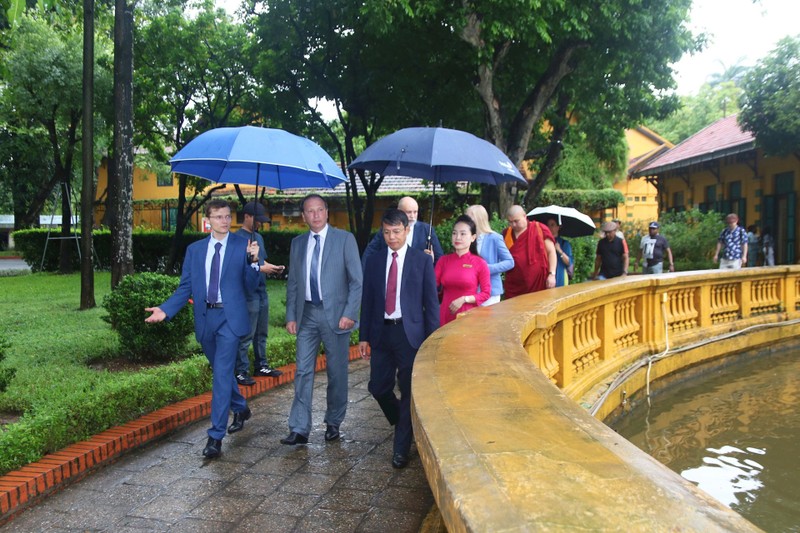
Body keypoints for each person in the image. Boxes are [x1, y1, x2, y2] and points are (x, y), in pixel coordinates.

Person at [144, 199, 261, 459]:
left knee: (220, 375)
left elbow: (251, 285)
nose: (224, 221)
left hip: (230, 319)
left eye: (228, 216)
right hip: (206, 318)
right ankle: (240, 406)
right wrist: (165, 309)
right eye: (218, 217)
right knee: (222, 371)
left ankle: (215, 436)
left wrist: (253, 261)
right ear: (208, 220)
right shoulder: (195, 250)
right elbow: (186, 286)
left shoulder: (244, 245)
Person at [359, 209, 439, 469]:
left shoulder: (422, 261)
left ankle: (401, 448)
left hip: (410, 334)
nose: (391, 237)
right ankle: (404, 422)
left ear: (406, 231)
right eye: (386, 232)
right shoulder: (374, 261)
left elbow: (431, 303)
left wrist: (431, 340)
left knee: (407, 391)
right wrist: (363, 337)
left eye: (396, 232)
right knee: (378, 387)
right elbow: (368, 300)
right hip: (382, 332)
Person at [282, 194, 362, 445]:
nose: (315, 215)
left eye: (319, 210)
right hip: (306, 314)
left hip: (337, 316)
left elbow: (357, 281)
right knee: (303, 371)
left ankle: (333, 421)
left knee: (336, 372)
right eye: (310, 211)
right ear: (303, 216)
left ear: (326, 212)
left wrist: (350, 313)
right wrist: (291, 315)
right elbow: (293, 283)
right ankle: (299, 428)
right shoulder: (297, 243)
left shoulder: (345, 239)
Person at [234, 202, 285, 386]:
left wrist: (272, 267)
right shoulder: (238, 239)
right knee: (247, 333)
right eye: (257, 219)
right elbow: (244, 267)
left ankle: (261, 364)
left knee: (261, 332)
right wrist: (266, 268)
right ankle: (240, 371)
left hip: (262, 290)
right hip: (248, 293)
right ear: (247, 216)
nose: (259, 224)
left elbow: (260, 261)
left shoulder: (259, 238)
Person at [434, 215, 491, 326]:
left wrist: (465, 299)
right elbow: (432, 286)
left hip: (467, 313)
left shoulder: (480, 263)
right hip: (445, 312)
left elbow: (486, 293)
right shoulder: (443, 260)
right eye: (454, 233)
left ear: (473, 237)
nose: (457, 237)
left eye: (463, 234)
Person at [361, 196, 444, 268]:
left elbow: (439, 258)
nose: (412, 216)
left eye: (415, 212)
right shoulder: (388, 229)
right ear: (399, 211)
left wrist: (429, 261)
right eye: (408, 212)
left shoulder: (426, 230)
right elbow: (369, 253)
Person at [502, 205, 557, 298]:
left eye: (516, 221)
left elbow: (551, 252)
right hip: (514, 286)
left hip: (538, 284)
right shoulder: (506, 234)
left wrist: (552, 274)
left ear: (524, 216)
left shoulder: (539, 229)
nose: (513, 225)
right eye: (510, 222)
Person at [464, 204, 514, 305]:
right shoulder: (467, 238)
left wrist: (486, 268)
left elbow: (510, 262)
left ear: (478, 219)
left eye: (469, 218)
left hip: (490, 292)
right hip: (469, 291)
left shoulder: (494, 238)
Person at [544, 216, 573, 287]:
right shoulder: (544, 242)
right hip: (545, 277)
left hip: (560, 277)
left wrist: (559, 250)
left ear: (558, 227)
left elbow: (569, 262)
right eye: (548, 225)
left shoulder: (564, 243)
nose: (549, 227)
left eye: (552, 225)